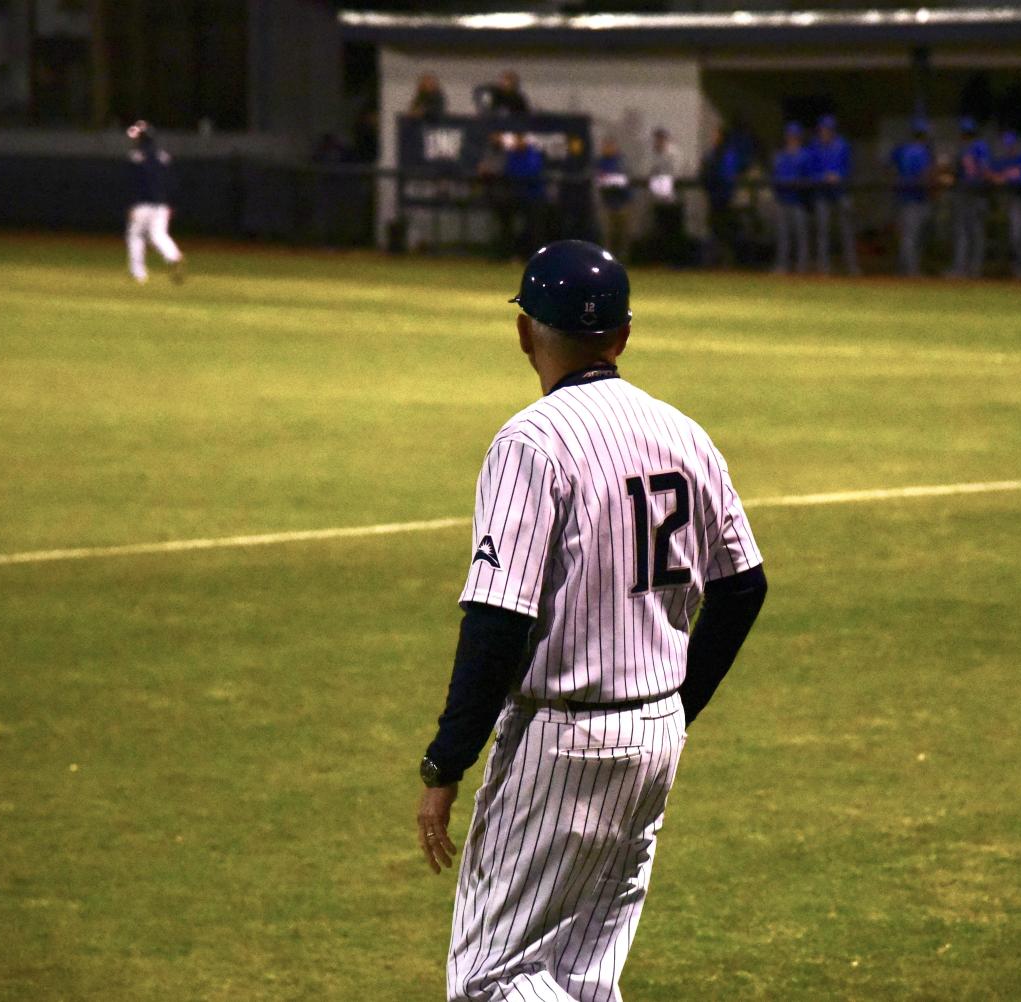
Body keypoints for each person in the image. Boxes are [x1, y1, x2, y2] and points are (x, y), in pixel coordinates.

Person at [416, 239, 768, 1002]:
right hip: (652, 740)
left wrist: (447, 762)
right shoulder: (684, 433)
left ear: (524, 334)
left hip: (562, 742)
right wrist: (678, 707)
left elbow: (496, 618)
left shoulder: (531, 442)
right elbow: (743, 588)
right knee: (582, 976)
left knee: (493, 981)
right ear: (623, 333)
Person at [124, 120, 184, 285]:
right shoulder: (164, 157)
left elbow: (132, 182)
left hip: (142, 204)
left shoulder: (136, 156)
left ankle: (139, 274)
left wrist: (131, 203)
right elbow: (172, 183)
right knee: (158, 235)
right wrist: (171, 203)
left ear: (141, 138)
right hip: (162, 204)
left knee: (135, 236)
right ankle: (173, 255)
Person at [810, 114, 860, 276]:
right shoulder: (814, 146)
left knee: (847, 231)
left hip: (841, 192)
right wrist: (823, 177)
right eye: (823, 129)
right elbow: (809, 171)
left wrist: (839, 176)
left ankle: (852, 267)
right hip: (822, 193)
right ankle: (823, 268)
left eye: (828, 129)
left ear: (833, 130)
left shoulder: (842, 145)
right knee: (823, 231)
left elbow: (850, 168)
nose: (825, 132)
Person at [989, 130, 1021, 279]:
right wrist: (997, 176)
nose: (1010, 148)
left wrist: (1006, 178)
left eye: (1012, 145)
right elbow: (990, 171)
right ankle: (1020, 268)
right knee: (1016, 235)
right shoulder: (1005, 161)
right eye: (1007, 146)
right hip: (1015, 200)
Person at [891, 118, 935, 277]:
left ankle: (904, 270)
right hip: (916, 198)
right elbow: (925, 176)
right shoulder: (922, 151)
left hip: (903, 198)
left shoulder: (902, 149)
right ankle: (911, 271)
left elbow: (888, 168)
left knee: (907, 236)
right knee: (912, 237)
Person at [948, 116, 991, 278]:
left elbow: (984, 172)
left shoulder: (972, 147)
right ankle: (967, 268)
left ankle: (968, 268)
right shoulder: (975, 147)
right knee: (970, 232)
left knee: (971, 232)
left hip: (973, 194)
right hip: (969, 194)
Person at [771, 122, 814, 274]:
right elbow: (775, 176)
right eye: (789, 135)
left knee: (801, 235)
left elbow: (809, 178)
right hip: (783, 200)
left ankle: (802, 267)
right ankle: (782, 265)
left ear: (799, 137)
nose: (791, 138)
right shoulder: (780, 156)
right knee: (783, 236)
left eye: (794, 136)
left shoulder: (805, 155)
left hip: (799, 201)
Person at [644, 127, 689, 265]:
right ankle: (662, 262)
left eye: (660, 138)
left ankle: (677, 263)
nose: (658, 141)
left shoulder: (674, 154)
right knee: (660, 233)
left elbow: (676, 175)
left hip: (674, 200)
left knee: (674, 233)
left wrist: (660, 184)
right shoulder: (652, 155)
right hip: (659, 201)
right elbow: (649, 174)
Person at [700, 126, 743, 267]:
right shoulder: (712, 154)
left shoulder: (728, 154)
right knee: (713, 229)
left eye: (717, 135)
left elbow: (727, 177)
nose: (714, 137)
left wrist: (716, 183)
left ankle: (725, 261)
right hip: (713, 197)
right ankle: (713, 261)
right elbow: (705, 173)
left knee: (724, 231)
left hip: (724, 199)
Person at [503, 134, 547, 260]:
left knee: (534, 229)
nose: (519, 142)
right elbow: (509, 171)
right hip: (517, 196)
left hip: (534, 197)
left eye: (521, 140)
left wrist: (518, 177)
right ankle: (515, 254)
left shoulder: (533, 155)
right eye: (517, 140)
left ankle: (536, 256)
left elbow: (531, 173)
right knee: (514, 227)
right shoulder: (513, 155)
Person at [594, 138, 633, 260]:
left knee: (623, 234)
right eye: (606, 146)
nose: (608, 149)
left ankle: (624, 259)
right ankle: (608, 260)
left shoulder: (621, 162)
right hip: (608, 203)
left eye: (610, 146)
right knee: (608, 234)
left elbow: (628, 180)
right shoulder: (600, 163)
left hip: (623, 202)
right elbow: (599, 180)